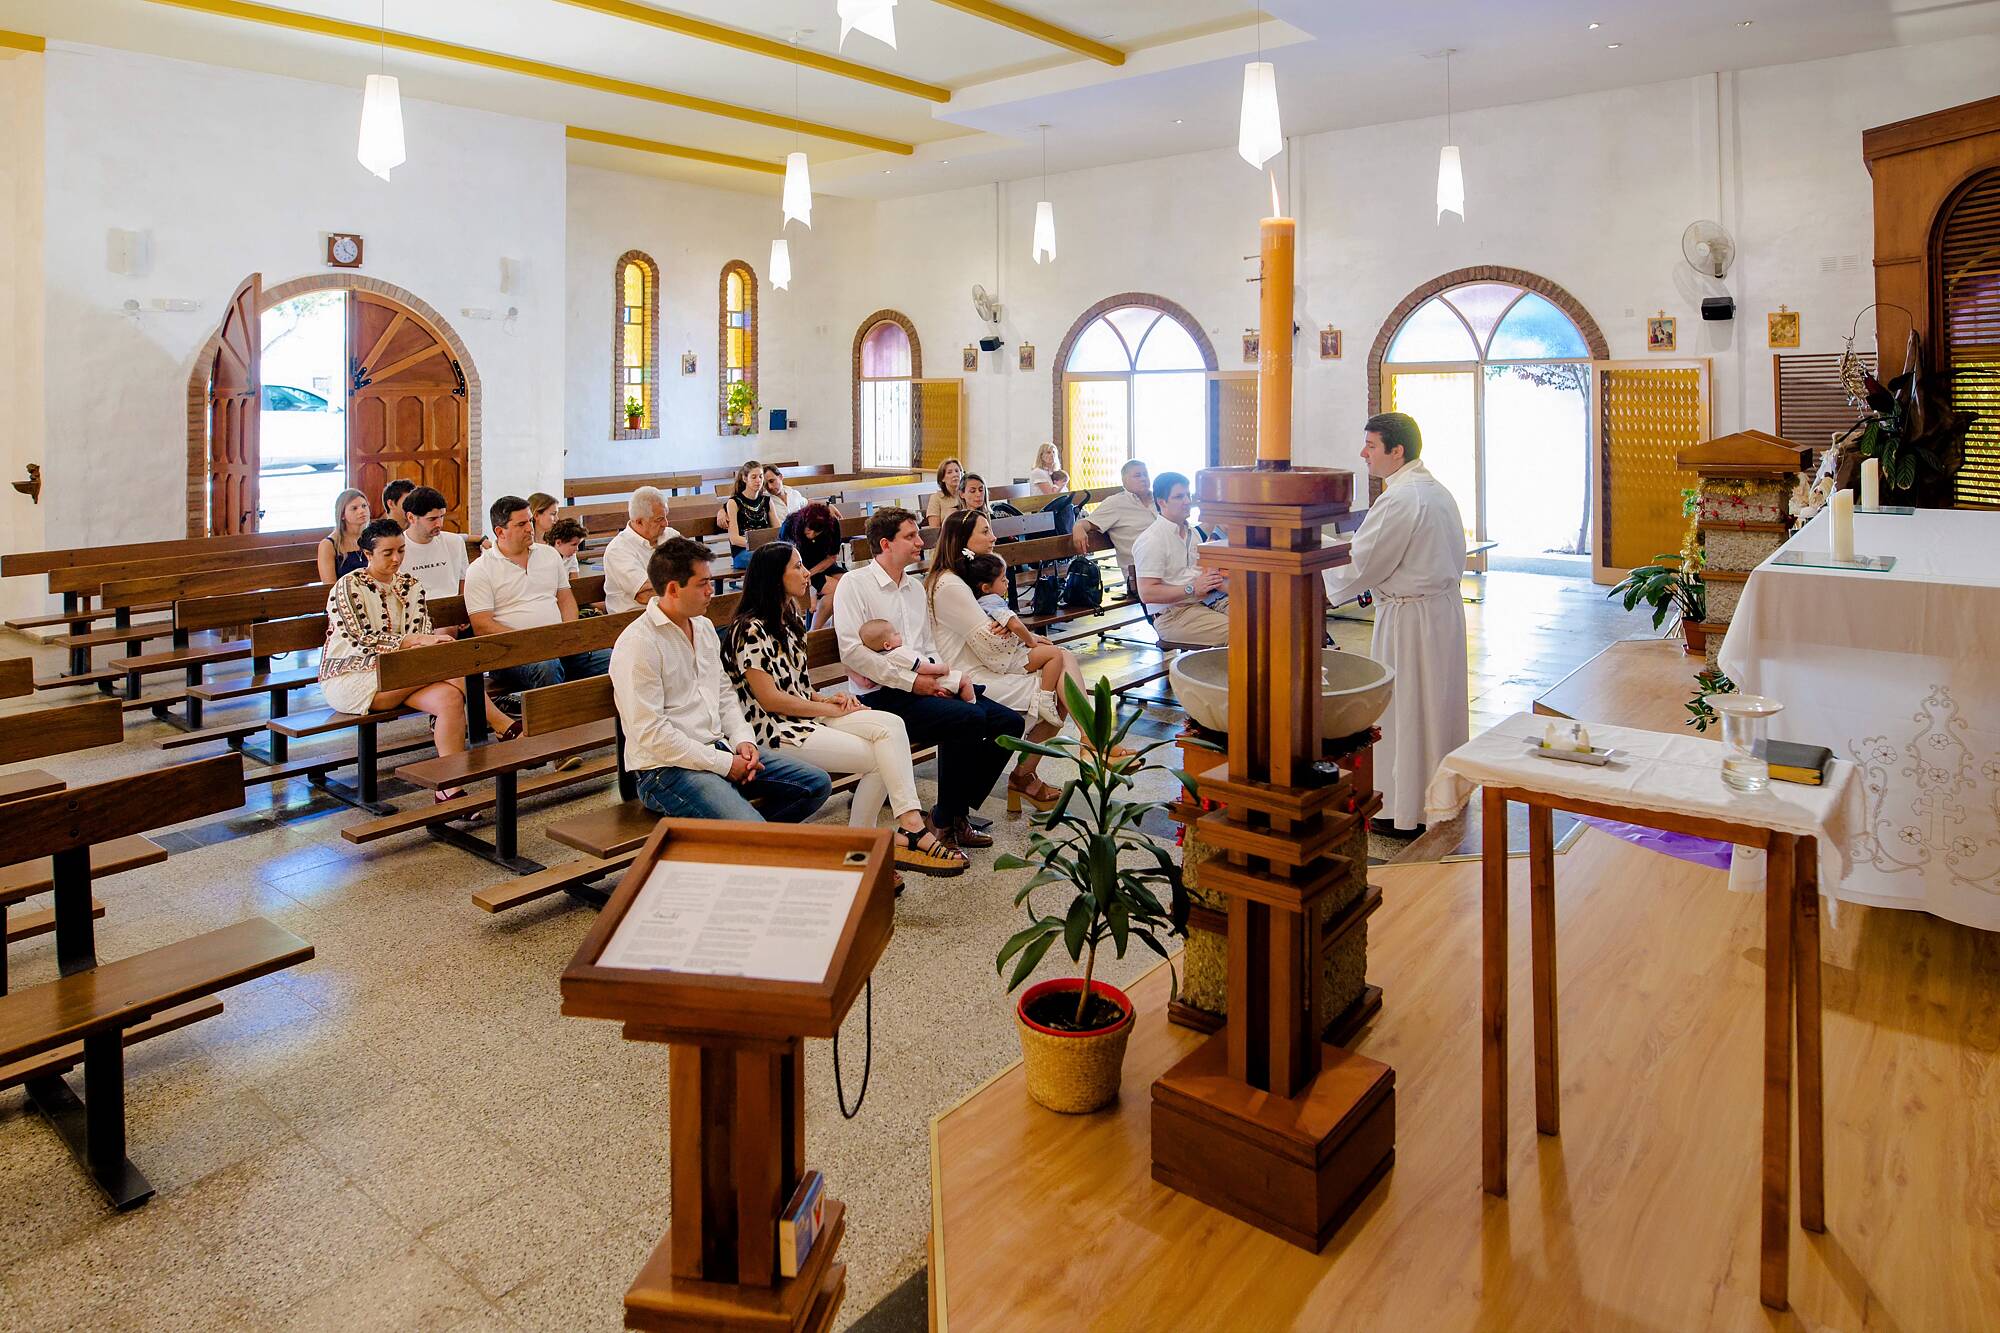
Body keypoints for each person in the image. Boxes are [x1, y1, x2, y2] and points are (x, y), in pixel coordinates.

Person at [725, 543, 967, 875]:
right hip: (775, 730)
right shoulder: (750, 629)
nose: (806, 572)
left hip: (806, 715)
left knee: (890, 726)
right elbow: (770, 700)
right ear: (774, 577)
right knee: (880, 759)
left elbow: (797, 685)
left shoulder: (790, 617)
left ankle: (895, 831)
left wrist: (830, 699)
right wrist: (824, 708)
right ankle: (874, 843)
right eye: (797, 567)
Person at [833, 507, 1024, 847]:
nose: (921, 542)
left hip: (921, 686)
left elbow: (928, 647)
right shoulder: (855, 584)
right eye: (911, 536)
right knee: (967, 719)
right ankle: (947, 821)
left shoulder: (915, 588)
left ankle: (952, 812)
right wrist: (912, 682)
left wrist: (939, 680)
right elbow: (853, 652)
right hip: (879, 696)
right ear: (885, 543)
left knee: (1008, 723)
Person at [610, 537, 831, 824]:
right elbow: (651, 734)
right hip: (666, 770)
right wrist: (725, 764)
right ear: (674, 589)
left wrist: (743, 740)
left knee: (815, 784)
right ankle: (748, 835)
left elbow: (724, 694)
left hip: (718, 748)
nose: (710, 590)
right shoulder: (639, 643)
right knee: (751, 827)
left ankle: (735, 840)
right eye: (703, 583)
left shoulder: (701, 627)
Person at [1322, 411, 1470, 837]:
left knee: (1406, 706)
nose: (1363, 453)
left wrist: (1315, 550)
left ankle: (1406, 809)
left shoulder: (1402, 498)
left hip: (1411, 621)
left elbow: (1363, 562)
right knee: (1435, 706)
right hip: (1437, 613)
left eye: (1370, 445)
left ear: (1396, 450)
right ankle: (1440, 796)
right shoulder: (1432, 489)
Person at [318, 518, 516, 803]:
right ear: (367, 555)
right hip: (354, 677)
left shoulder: (411, 586)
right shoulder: (347, 586)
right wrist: (413, 642)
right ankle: (503, 724)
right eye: (388, 553)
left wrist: (424, 642)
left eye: (401, 550)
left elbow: (422, 632)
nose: (397, 558)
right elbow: (360, 638)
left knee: (449, 697)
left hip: (407, 673)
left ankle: (450, 785)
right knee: (446, 664)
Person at [923, 510, 1093, 810]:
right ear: (963, 540)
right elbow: (992, 647)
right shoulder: (950, 585)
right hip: (969, 674)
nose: (993, 537)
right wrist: (1019, 636)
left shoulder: (962, 577)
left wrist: (1014, 632)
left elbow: (993, 632)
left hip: (983, 663)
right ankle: (1064, 753)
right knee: (1058, 688)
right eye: (985, 531)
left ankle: (1077, 744)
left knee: (1062, 663)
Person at [466, 494, 608, 697]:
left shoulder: (548, 555)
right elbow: (481, 624)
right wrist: (531, 642)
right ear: (500, 531)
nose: (530, 528)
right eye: (521, 524)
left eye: (530, 522)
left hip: (558, 644)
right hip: (512, 652)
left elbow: (565, 599)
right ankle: (554, 726)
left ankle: (621, 726)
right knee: (547, 667)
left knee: (615, 659)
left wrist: (568, 632)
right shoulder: (481, 569)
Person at [1133, 471, 1229, 646]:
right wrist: (1192, 588)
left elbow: (1204, 575)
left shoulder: (1193, 533)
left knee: (1260, 623)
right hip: (1172, 615)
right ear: (1162, 502)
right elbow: (1147, 593)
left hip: (1203, 603)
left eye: (1188, 495)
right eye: (1179, 497)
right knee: (1240, 631)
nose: (1187, 501)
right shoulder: (1152, 539)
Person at [963, 552, 1068, 703]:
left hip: (1004, 656)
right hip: (1009, 658)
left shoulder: (982, 600)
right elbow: (1015, 624)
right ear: (986, 587)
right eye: (1003, 579)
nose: (1007, 582)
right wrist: (1031, 640)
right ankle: (1045, 697)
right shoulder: (992, 600)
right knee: (1055, 654)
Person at [604, 485, 679, 613]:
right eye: (659, 519)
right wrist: (685, 588)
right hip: (633, 619)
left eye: (666, 516)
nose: (666, 523)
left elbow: (694, 569)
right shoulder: (618, 550)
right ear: (639, 522)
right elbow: (644, 596)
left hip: (673, 611)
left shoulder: (671, 536)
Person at [1070, 458, 1157, 567]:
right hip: (1143, 572)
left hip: (1172, 565)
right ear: (1124, 481)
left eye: (1145, 474)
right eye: (1137, 475)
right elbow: (1086, 523)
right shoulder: (1116, 503)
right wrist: (1078, 527)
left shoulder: (1160, 500)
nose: (1143, 478)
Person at [858, 618, 972, 700]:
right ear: (887, 645)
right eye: (895, 634)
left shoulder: (887, 656)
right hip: (932, 676)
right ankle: (971, 702)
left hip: (929, 680)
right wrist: (941, 668)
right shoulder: (899, 653)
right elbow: (921, 667)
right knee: (965, 679)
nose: (899, 634)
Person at [780, 501, 846, 629]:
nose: (811, 534)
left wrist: (811, 574)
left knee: (849, 583)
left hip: (821, 565)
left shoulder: (832, 524)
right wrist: (807, 575)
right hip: (798, 567)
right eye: (809, 529)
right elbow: (786, 560)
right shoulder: (790, 525)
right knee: (838, 589)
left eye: (817, 532)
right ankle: (814, 631)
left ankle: (836, 628)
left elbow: (832, 557)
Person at [398, 485, 469, 602]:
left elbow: (463, 583)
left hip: (452, 611)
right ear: (411, 517)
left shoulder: (455, 542)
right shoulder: (397, 548)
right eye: (432, 519)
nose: (439, 524)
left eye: (441, 517)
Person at [718, 459, 774, 571]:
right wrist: (760, 545)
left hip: (765, 549)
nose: (758, 480)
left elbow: (776, 530)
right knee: (769, 559)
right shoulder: (734, 502)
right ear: (745, 478)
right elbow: (734, 539)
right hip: (743, 552)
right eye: (753, 477)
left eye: (761, 476)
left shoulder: (767, 500)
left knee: (787, 555)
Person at [316, 488, 372, 584]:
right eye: (354, 508)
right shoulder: (328, 545)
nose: (362, 511)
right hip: (343, 596)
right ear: (342, 515)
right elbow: (329, 586)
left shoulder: (373, 538)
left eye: (364, 506)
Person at [925, 457, 966, 527]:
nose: (955, 475)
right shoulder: (936, 498)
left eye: (957, 471)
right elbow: (934, 530)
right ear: (942, 478)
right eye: (949, 472)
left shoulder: (967, 495)